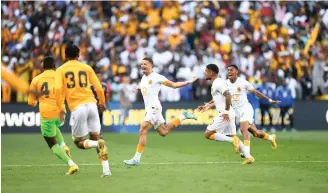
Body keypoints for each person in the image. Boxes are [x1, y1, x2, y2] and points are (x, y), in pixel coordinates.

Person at [123, 57, 198, 166]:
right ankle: (183, 116)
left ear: (151, 65)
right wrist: (139, 87)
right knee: (164, 132)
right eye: (141, 64)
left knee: (143, 129)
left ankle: (136, 159)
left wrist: (189, 81)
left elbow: (174, 85)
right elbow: (147, 87)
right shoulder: (143, 78)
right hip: (152, 109)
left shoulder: (158, 77)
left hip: (154, 108)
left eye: (145, 64)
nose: (142, 66)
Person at [55, 44, 111, 177]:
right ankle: (106, 171)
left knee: (78, 142)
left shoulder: (61, 70)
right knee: (97, 136)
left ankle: (98, 143)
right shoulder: (86, 68)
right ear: (79, 55)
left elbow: (57, 90)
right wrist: (101, 103)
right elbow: (99, 88)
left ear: (65, 56)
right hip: (92, 105)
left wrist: (60, 109)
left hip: (78, 107)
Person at [27, 56, 77, 175]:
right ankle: (64, 145)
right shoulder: (62, 77)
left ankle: (71, 164)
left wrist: (35, 102)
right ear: (55, 66)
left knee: (51, 143)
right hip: (61, 113)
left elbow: (30, 102)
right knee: (55, 126)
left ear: (43, 67)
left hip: (47, 114)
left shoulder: (36, 79)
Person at [197, 64, 254, 164]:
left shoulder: (217, 83)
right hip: (229, 112)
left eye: (206, 71)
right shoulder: (218, 82)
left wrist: (226, 111)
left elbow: (228, 95)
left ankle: (233, 142)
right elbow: (219, 98)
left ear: (211, 72)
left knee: (207, 134)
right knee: (233, 136)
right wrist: (208, 105)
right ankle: (249, 157)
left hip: (225, 113)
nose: (205, 73)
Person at [226, 65, 279, 159]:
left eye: (231, 70)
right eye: (228, 70)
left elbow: (256, 93)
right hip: (238, 112)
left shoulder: (243, 82)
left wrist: (270, 100)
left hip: (246, 109)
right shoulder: (226, 84)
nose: (229, 72)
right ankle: (271, 138)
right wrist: (209, 105)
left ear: (237, 71)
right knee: (256, 133)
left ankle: (248, 155)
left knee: (243, 129)